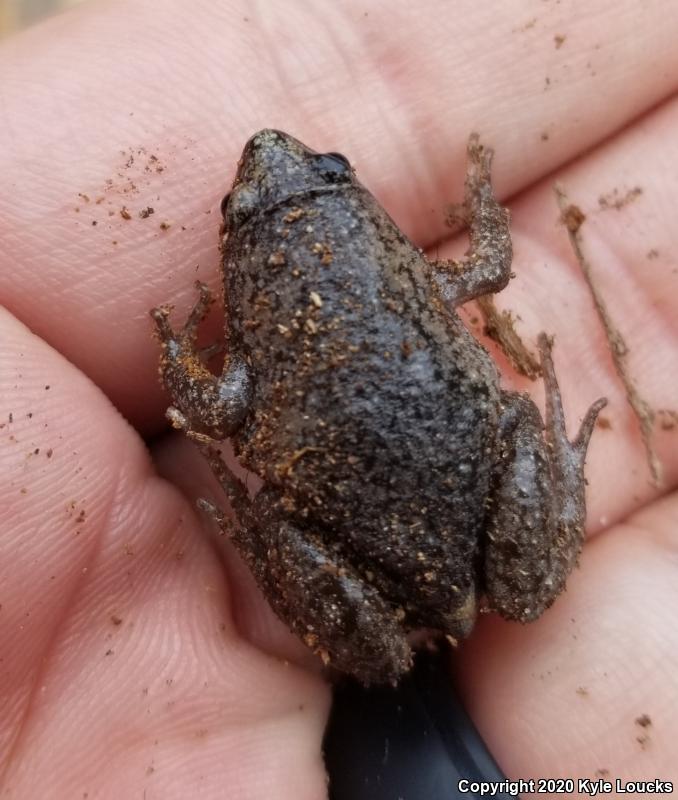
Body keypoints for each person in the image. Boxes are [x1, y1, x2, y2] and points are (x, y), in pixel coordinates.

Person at [0, 2, 675, 796]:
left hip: (380, 560)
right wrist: (481, 196)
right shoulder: (422, 279)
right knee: (520, 425)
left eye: (331, 171)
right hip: (475, 531)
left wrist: (176, 347)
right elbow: (491, 261)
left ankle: (285, 549)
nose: (269, 158)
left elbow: (209, 413)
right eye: (238, 212)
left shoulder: (255, 362)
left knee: (283, 517)